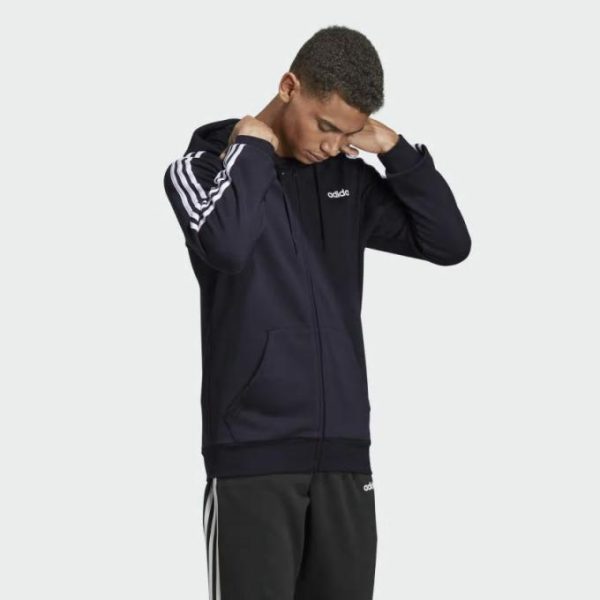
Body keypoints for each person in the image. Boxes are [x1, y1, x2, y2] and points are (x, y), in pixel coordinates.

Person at [163, 24, 471, 600]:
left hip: (344, 451)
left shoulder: (344, 182)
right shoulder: (202, 168)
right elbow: (226, 246)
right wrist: (251, 149)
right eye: (326, 126)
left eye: (346, 134)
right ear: (289, 87)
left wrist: (394, 150)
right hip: (253, 454)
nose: (332, 145)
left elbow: (449, 243)